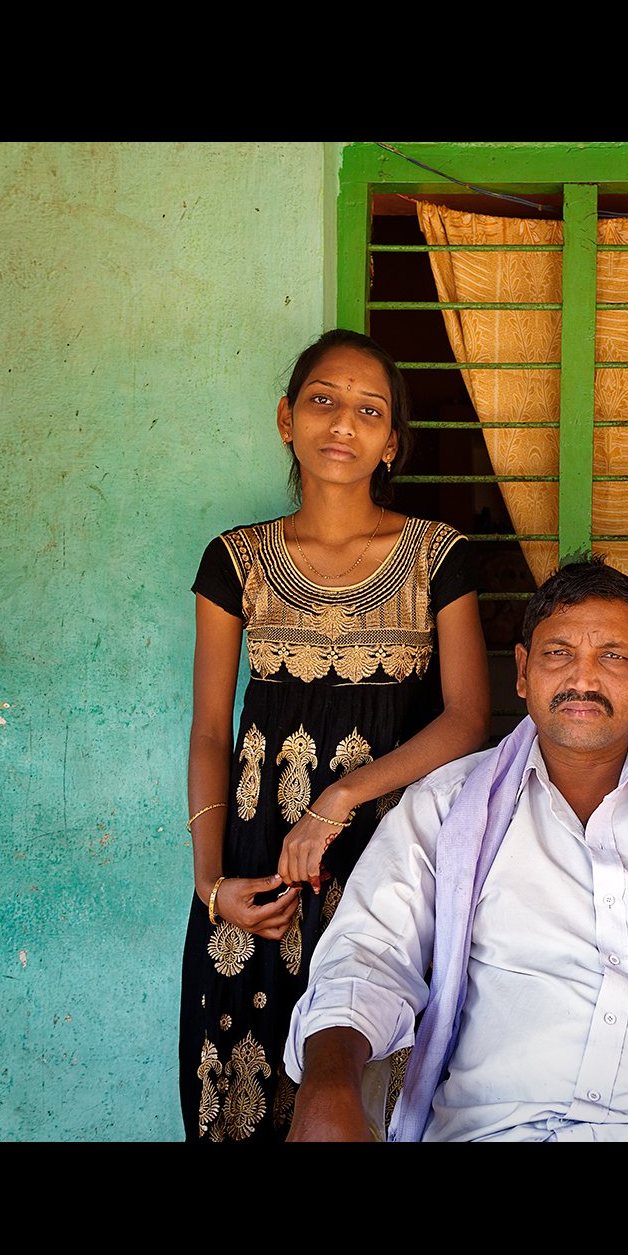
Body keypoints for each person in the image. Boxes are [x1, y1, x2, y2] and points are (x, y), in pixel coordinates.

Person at [283, 558, 628, 1141]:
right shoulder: (447, 808)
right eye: (558, 653)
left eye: (613, 656)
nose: (584, 679)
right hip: (499, 1128)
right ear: (522, 671)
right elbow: (368, 956)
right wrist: (327, 1082)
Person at [179, 328, 490, 1141]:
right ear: (287, 419)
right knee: (241, 1091)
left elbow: (467, 718)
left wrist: (340, 798)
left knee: (375, 1079)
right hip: (256, 863)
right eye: (322, 401)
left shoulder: (437, 556)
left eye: (368, 410)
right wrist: (210, 886)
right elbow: (212, 730)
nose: (341, 424)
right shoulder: (235, 560)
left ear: (393, 442)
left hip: (392, 853)